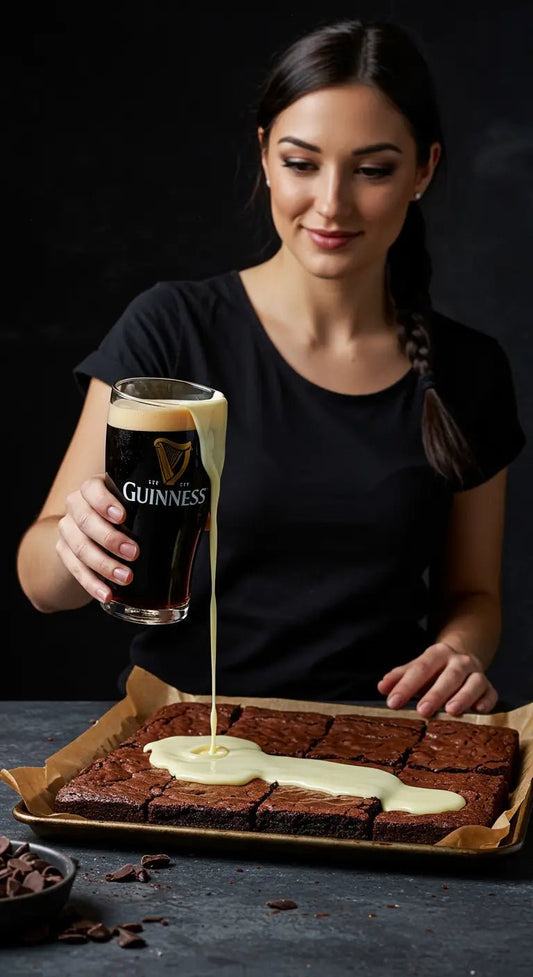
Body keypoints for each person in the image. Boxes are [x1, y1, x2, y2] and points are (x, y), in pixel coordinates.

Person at [17, 18, 525, 717]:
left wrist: (461, 650)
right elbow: (41, 580)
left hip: (377, 752)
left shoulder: (469, 369)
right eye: (300, 163)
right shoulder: (170, 329)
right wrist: (78, 544)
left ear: (424, 170)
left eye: (372, 169)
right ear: (263, 154)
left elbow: (473, 596)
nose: (330, 203)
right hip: (178, 740)